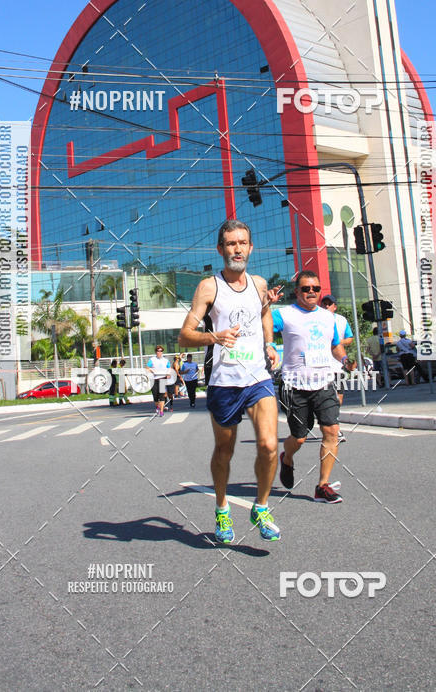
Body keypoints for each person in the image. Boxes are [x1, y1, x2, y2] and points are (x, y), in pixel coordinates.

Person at [178, 219, 280, 544]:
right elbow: (184, 336)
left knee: (268, 445)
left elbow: (264, 312)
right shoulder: (209, 287)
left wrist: (269, 344)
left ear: (251, 247)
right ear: (221, 249)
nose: (237, 249)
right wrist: (214, 337)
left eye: (242, 243)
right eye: (231, 244)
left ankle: (261, 507)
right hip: (224, 380)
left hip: (257, 377)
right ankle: (222, 507)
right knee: (225, 450)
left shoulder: (260, 284)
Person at [275, 272, 347, 503]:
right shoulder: (284, 315)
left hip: (324, 382)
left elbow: (335, 346)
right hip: (294, 384)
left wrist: (346, 361)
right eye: (306, 288)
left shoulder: (328, 318)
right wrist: (266, 305)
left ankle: (322, 486)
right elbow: (262, 325)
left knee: (331, 431)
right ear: (297, 292)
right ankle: (286, 458)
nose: (312, 292)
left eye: (316, 288)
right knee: (299, 438)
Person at [321, 294, 353, 443]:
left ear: (335, 306)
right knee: (328, 397)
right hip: (321, 365)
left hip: (338, 365)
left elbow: (350, 338)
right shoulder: (316, 319)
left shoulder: (341, 320)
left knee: (338, 397)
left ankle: (332, 422)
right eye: (324, 304)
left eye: (329, 304)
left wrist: (337, 342)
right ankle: (334, 428)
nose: (326, 306)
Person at [147, 345, 171, 416]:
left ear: (162, 352)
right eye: (158, 351)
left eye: (160, 351)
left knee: (162, 396)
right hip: (154, 379)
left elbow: (169, 368)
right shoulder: (152, 360)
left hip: (162, 378)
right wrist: (152, 371)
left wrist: (168, 374)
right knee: (155, 396)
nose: (159, 352)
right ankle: (157, 406)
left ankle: (161, 411)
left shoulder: (166, 360)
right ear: (156, 352)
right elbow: (147, 368)